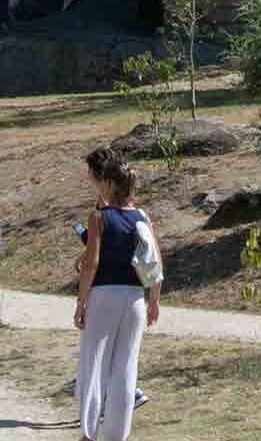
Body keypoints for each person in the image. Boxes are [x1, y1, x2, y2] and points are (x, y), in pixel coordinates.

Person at [75, 156, 160, 441]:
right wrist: (154, 300)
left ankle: (89, 433)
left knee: (94, 365)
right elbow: (155, 262)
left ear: (109, 184)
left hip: (103, 295)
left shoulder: (99, 217)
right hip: (135, 298)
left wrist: (81, 302)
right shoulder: (143, 218)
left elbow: (91, 264)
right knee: (126, 368)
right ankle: (116, 436)